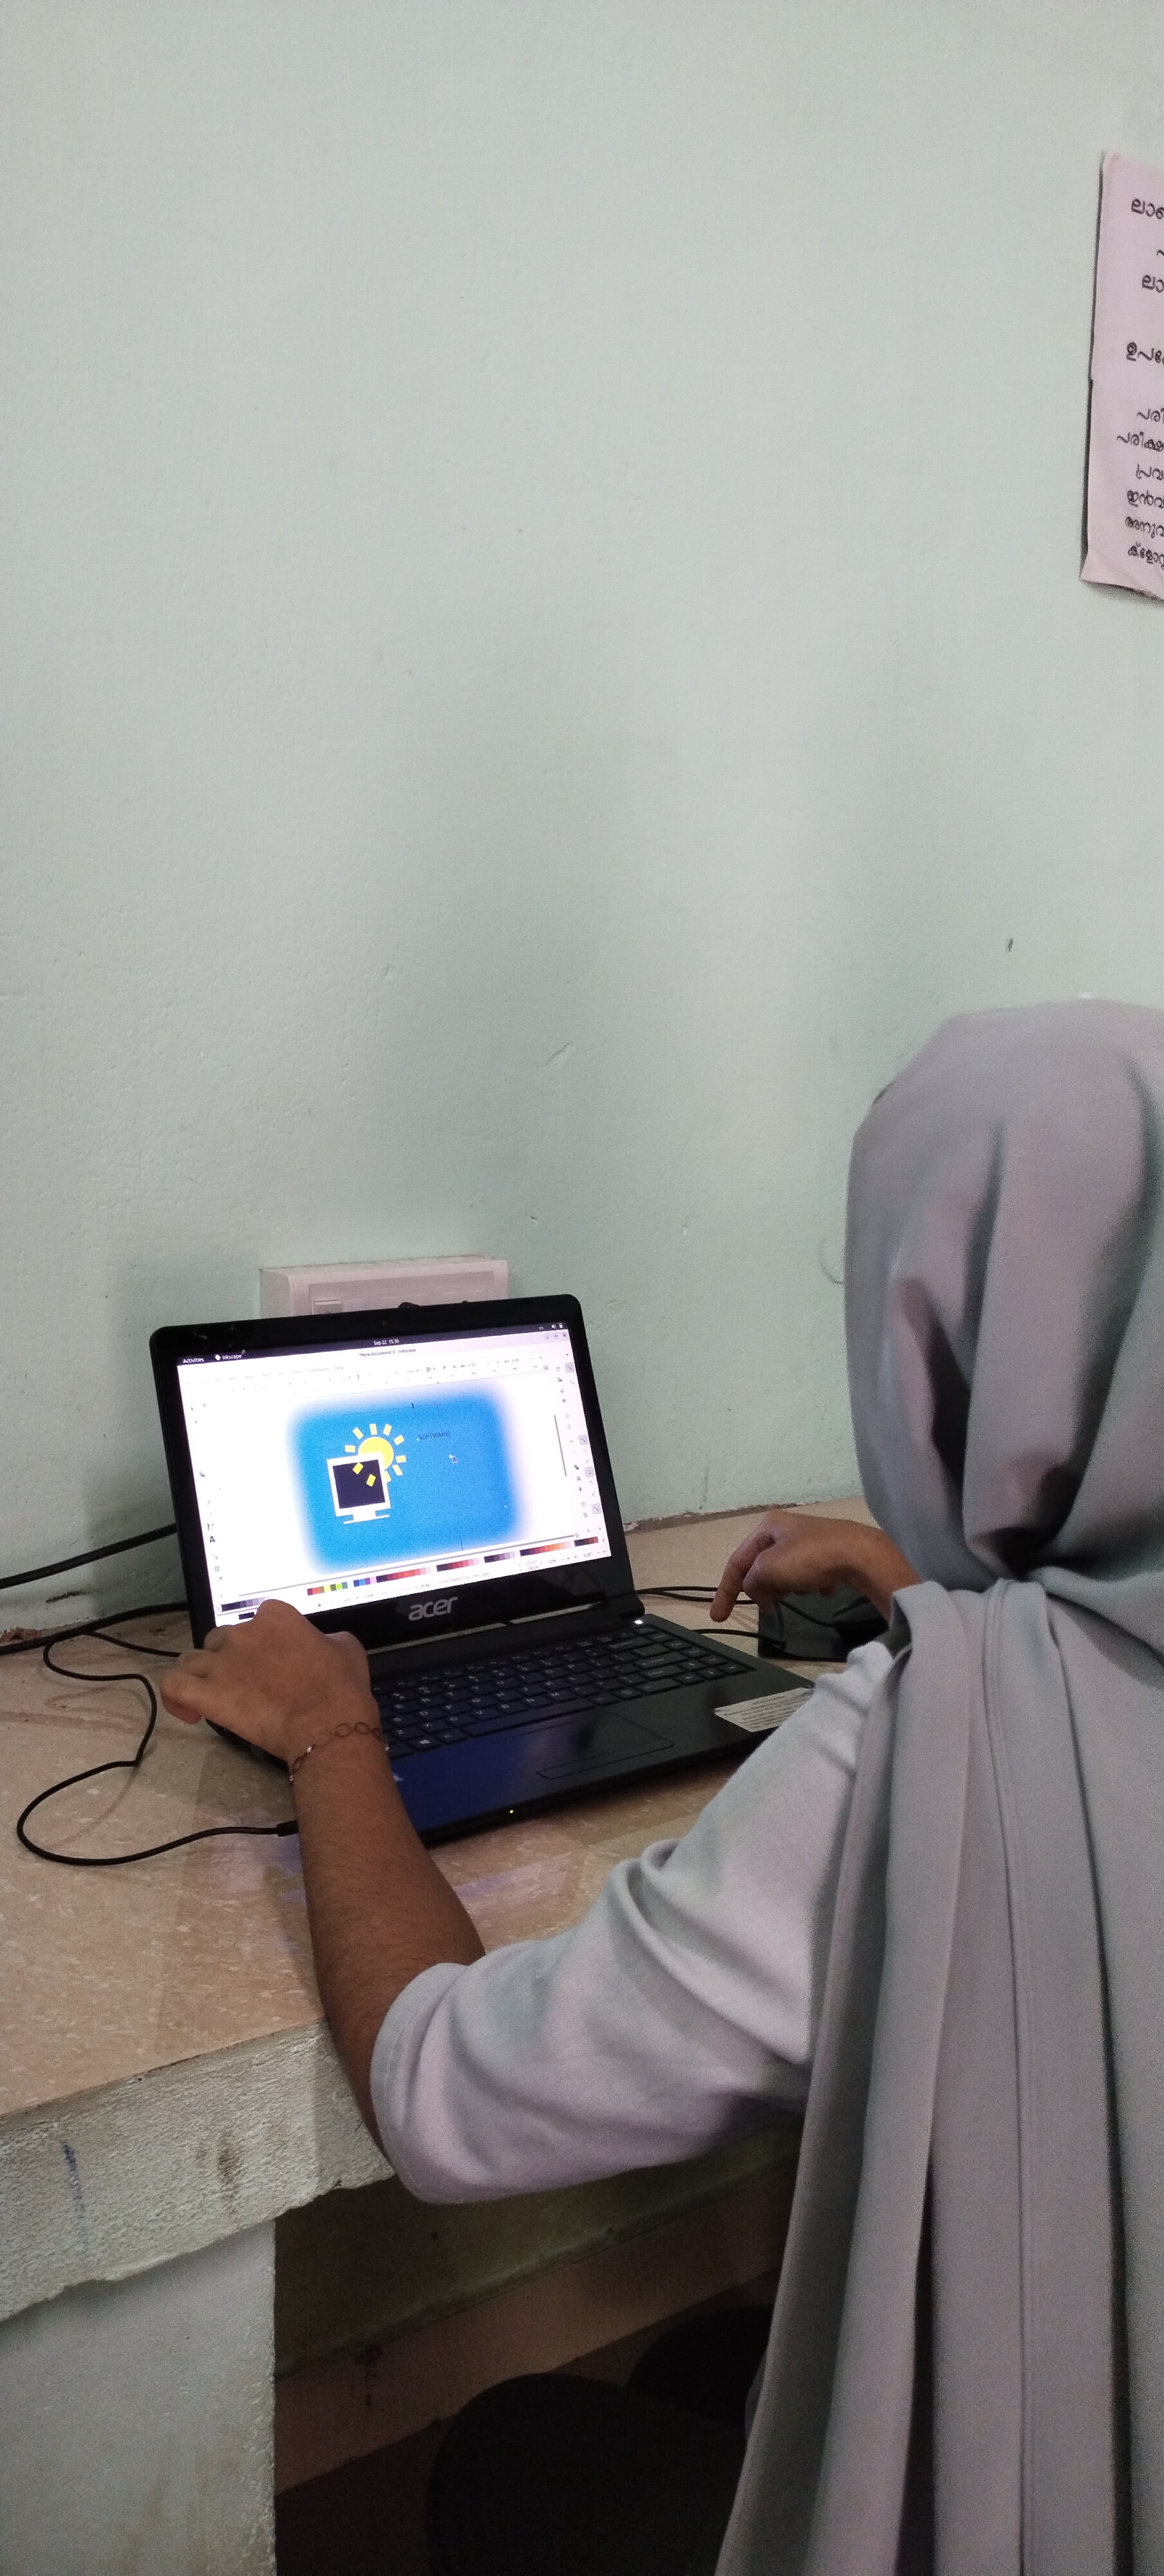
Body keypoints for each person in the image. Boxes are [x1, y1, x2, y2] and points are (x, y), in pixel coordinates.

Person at [162, 1000, 1164, 2575]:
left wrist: (333, 1729)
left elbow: (452, 2097)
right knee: (710, 2362)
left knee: (514, 2440)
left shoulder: (921, 1744)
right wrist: (938, 1591)